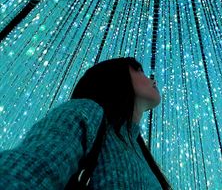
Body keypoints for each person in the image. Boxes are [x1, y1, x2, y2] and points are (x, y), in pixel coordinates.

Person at [0, 57, 172, 189]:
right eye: (139, 70)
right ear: (114, 77)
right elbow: (33, 168)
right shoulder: (88, 112)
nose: (152, 79)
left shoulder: (141, 151)